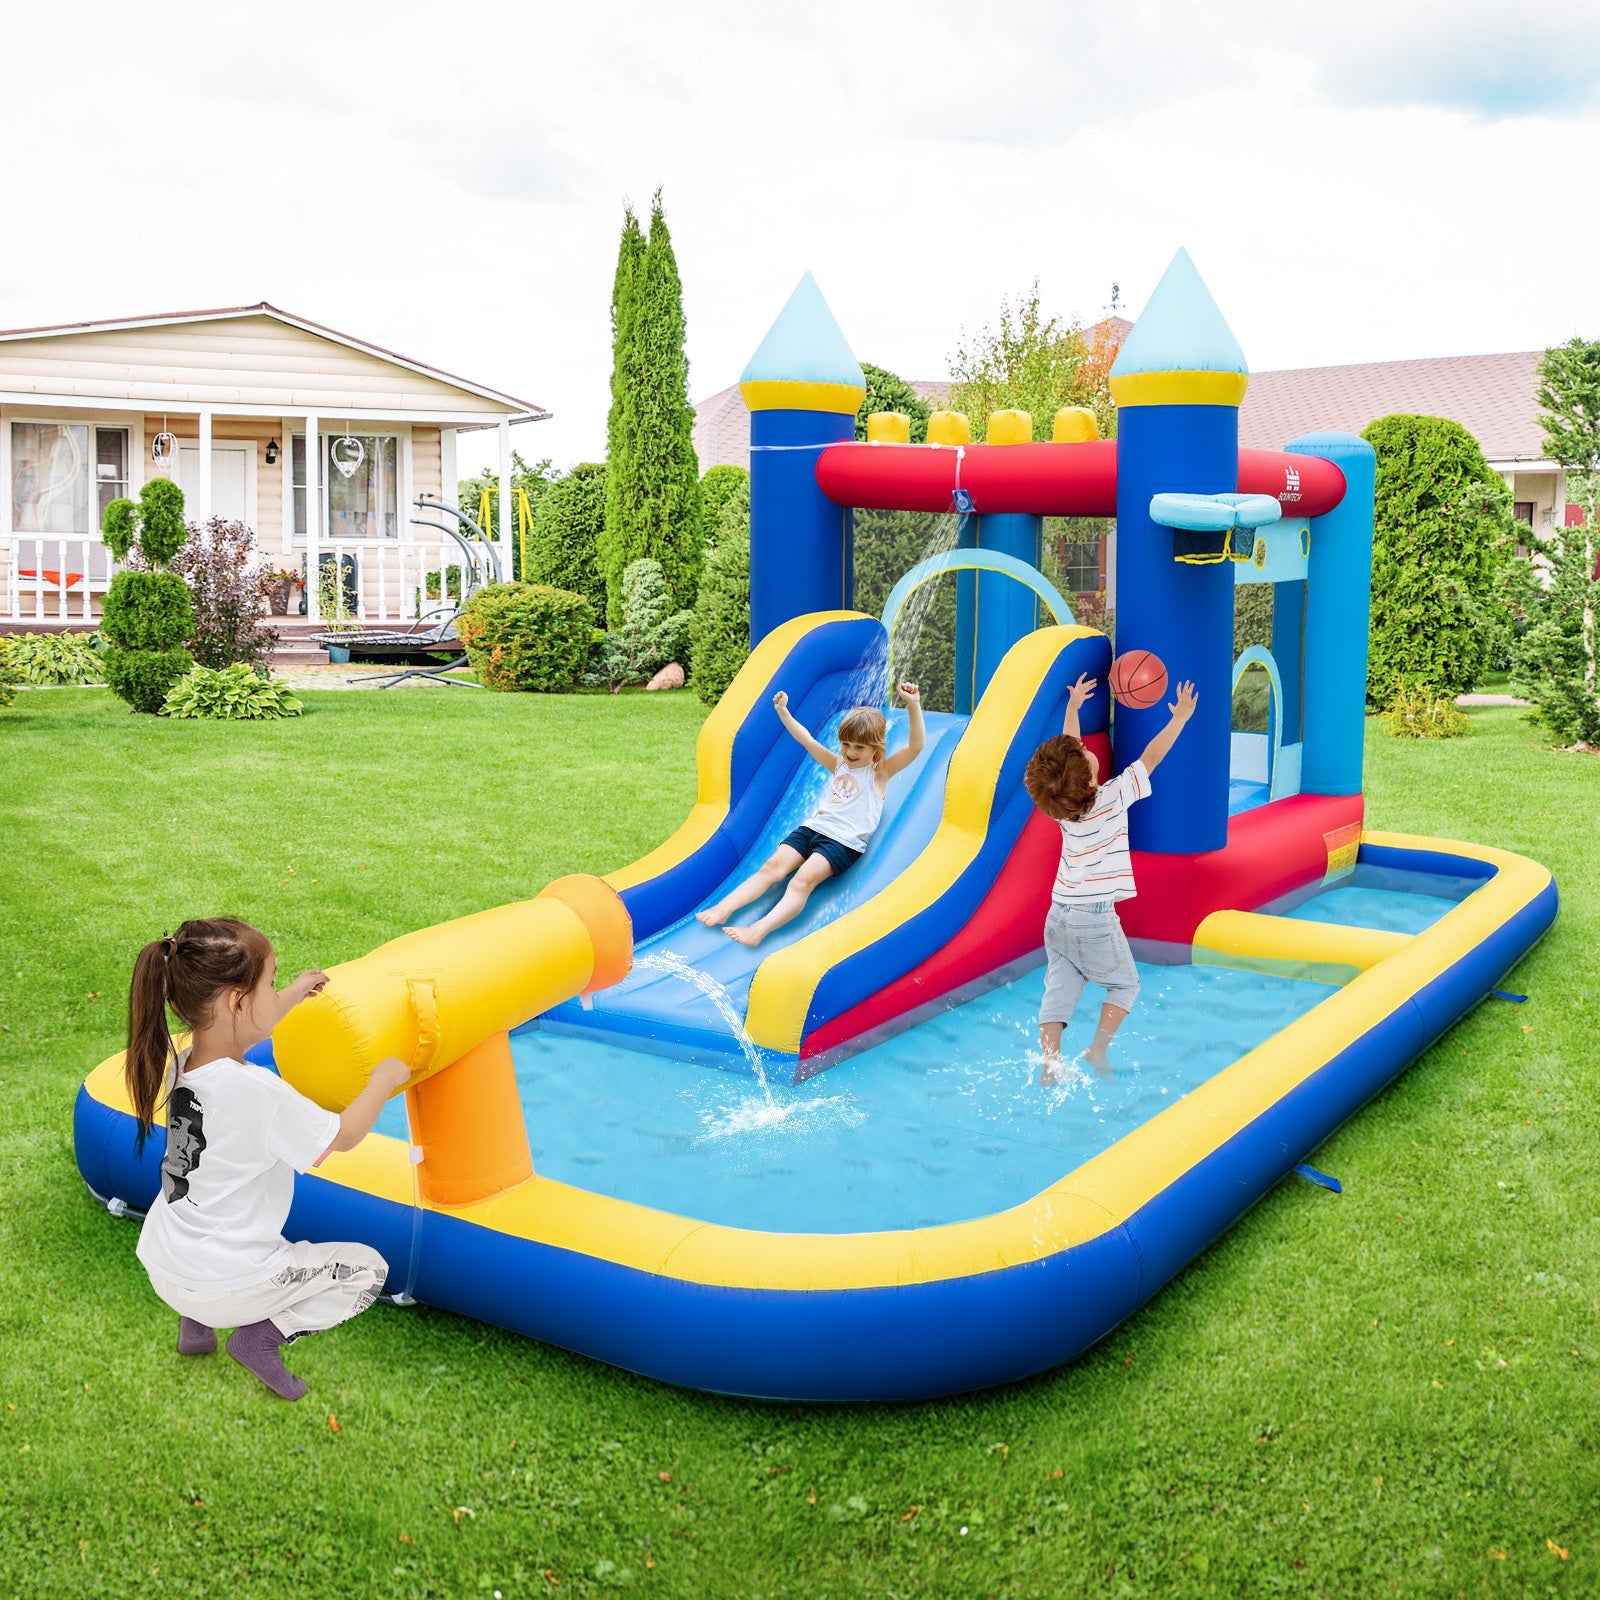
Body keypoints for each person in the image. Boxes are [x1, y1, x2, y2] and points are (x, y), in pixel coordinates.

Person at [124, 917, 410, 1401]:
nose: (276, 991)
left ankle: (195, 1327)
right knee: (368, 1270)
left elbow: (245, 1022)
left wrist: (296, 991)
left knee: (204, 1196)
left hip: (163, 1261)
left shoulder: (176, 1061)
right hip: (228, 1283)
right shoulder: (257, 1092)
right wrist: (384, 1077)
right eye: (271, 982)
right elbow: (341, 1137)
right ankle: (261, 1338)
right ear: (237, 1001)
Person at [1024, 672, 1197, 1084]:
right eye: (1083, 750)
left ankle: (1050, 1062)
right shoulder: (1114, 796)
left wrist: (1072, 709)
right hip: (1094, 918)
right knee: (1125, 986)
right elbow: (1151, 758)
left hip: (1058, 915)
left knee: (1060, 987)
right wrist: (1180, 718)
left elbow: (1067, 758)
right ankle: (1097, 1050)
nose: (1084, 746)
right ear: (1087, 777)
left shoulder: (1062, 808)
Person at [698, 682, 925, 948]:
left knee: (802, 879)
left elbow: (915, 747)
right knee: (771, 868)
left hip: (842, 842)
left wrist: (913, 704)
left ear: (876, 749)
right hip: (813, 828)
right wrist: (784, 712)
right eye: (846, 744)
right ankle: (724, 909)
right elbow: (806, 739)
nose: (851, 752)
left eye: (859, 747)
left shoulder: (879, 773)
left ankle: (759, 929)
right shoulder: (838, 764)